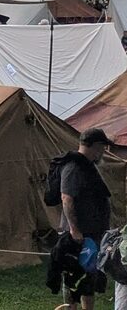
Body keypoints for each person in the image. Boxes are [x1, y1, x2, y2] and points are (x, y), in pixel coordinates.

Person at [61, 128, 113, 310]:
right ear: (94, 145)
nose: (103, 151)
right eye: (102, 146)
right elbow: (66, 198)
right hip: (79, 233)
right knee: (74, 276)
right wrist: (74, 230)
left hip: (92, 232)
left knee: (88, 277)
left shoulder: (87, 165)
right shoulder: (73, 166)